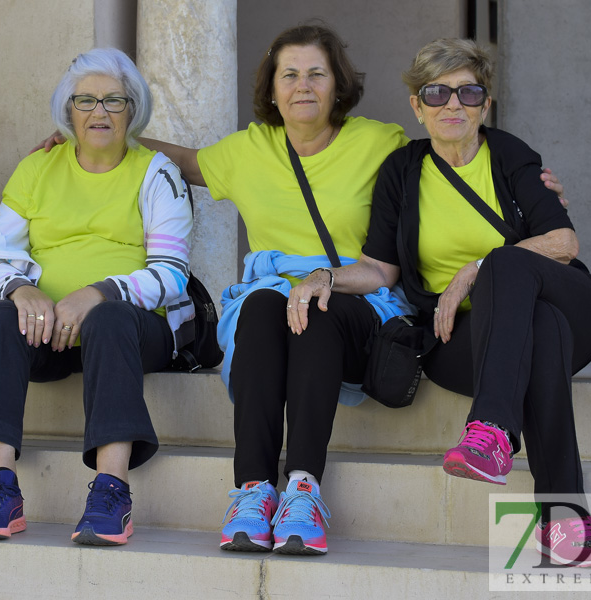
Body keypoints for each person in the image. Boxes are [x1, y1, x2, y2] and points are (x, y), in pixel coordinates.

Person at [35, 24, 564, 557]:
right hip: (273, 300)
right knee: (265, 303)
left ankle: (305, 489)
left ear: (338, 86)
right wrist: (99, 131)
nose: (303, 85)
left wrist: (531, 185)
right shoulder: (247, 151)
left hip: (359, 298)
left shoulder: (382, 142)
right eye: (289, 74)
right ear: (271, 88)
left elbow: (448, 157)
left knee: (314, 308)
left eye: (317, 73)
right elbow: (189, 162)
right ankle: (253, 492)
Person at [305, 38, 591, 567]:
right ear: (416, 104)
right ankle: (564, 518)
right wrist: (323, 277)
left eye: (469, 92)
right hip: (468, 338)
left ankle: (490, 431)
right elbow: (381, 270)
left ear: (485, 104)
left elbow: (564, 244)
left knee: (506, 265)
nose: (454, 104)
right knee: (536, 333)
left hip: (571, 307)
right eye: (438, 92)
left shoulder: (511, 155)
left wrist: (474, 272)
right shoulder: (402, 173)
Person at [0, 47, 192, 546]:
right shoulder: (37, 168)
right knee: (0, 316)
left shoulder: (157, 172)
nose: (99, 112)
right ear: (68, 112)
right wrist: (23, 290)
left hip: (134, 330)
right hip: (52, 332)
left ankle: (112, 492)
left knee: (108, 318)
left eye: (114, 100)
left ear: (134, 110)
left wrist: (98, 294)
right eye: (85, 101)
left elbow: (171, 272)